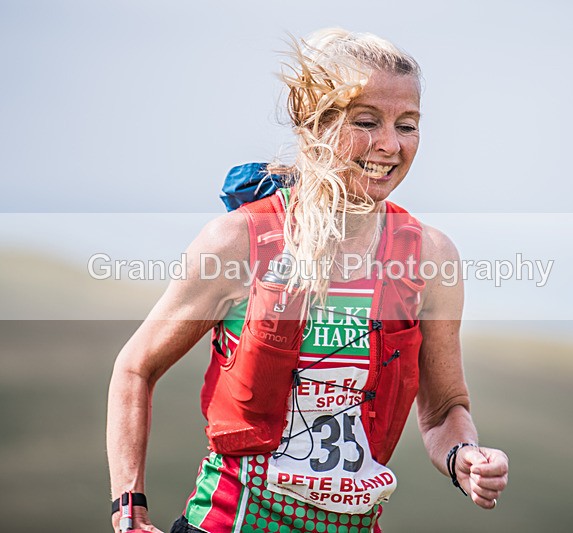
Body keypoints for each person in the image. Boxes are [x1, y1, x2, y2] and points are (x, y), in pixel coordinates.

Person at [107, 28, 509, 533]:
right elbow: (135, 368)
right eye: (366, 121)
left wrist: (465, 456)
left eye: (407, 125)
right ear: (315, 123)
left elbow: (444, 410)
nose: (389, 144)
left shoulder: (430, 257)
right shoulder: (238, 240)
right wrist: (129, 509)